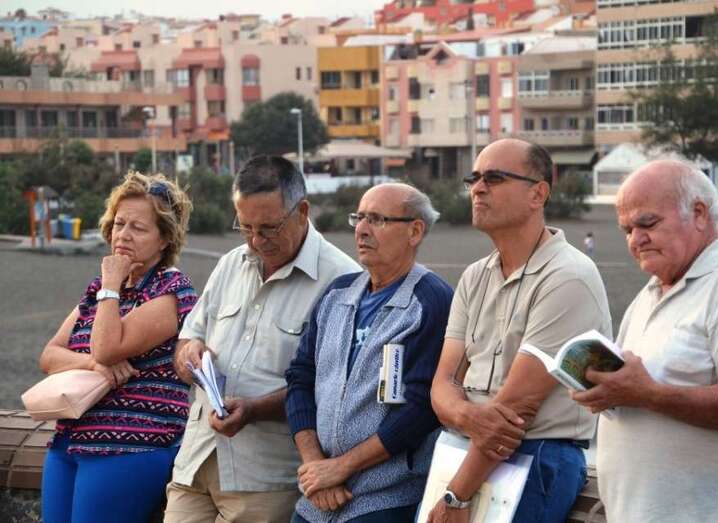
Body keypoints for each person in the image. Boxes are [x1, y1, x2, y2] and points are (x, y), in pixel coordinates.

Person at [573, 159, 718, 522]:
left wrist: (648, 394)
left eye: (647, 224)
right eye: (627, 229)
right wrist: (607, 392)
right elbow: (639, 390)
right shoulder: (650, 293)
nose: (635, 239)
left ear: (699, 213)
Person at [164, 156, 359, 523]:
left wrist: (254, 409)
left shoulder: (343, 281)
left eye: (269, 228)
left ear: (302, 212)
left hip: (266, 477)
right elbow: (188, 339)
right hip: (196, 461)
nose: (256, 241)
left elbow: (334, 389)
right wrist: (189, 355)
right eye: (245, 227)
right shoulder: (230, 263)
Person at [428, 138, 612, 523]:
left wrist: (456, 496)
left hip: (534, 455)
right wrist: (467, 418)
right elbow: (442, 384)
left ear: (538, 194)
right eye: (474, 178)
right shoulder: (475, 276)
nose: (478, 188)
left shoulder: (568, 276)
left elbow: (517, 410)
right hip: (464, 449)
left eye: (494, 178)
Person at [285, 183, 453, 523]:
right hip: (317, 496)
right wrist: (316, 465)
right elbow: (300, 378)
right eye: (359, 218)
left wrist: (342, 467)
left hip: (385, 499)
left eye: (377, 219)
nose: (361, 229)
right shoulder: (337, 294)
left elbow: (421, 408)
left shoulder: (430, 301)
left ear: (415, 231)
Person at [39, 172, 197, 523]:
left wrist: (111, 284)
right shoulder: (98, 289)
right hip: (70, 440)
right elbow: (49, 356)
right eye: (119, 224)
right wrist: (92, 366)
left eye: (138, 228)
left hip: (131, 445)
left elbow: (108, 349)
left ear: (164, 239)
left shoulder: (171, 290)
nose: (123, 235)